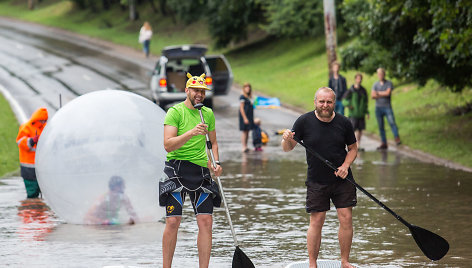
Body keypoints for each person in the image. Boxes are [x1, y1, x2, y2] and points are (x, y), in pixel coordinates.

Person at [281, 87, 358, 268]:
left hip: (342, 178)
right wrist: (286, 139)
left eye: (329, 102)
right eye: (321, 101)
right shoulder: (303, 121)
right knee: (316, 221)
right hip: (316, 180)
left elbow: (353, 149)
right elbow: (288, 148)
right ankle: (312, 263)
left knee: (346, 218)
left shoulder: (344, 123)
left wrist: (345, 166)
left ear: (334, 103)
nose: (325, 105)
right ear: (315, 102)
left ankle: (345, 261)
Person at [161, 72, 223, 268]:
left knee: (206, 222)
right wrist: (191, 132)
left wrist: (216, 162)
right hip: (176, 169)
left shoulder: (208, 113)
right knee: (173, 221)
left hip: (200, 171)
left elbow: (213, 143)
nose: (199, 94)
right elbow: (168, 145)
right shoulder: (175, 112)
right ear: (187, 90)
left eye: (203, 91)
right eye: (196, 90)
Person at [16, 107, 48, 199]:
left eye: (44, 120)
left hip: (41, 167)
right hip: (28, 168)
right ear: (36, 119)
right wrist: (32, 141)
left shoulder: (45, 128)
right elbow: (20, 142)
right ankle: (31, 211)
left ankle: (37, 210)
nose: (43, 122)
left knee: (41, 191)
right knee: (32, 193)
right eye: (41, 120)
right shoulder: (26, 127)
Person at [371, 68, 401, 150]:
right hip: (378, 107)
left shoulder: (389, 83)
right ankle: (384, 142)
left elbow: (388, 93)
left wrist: (378, 93)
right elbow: (372, 96)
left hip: (387, 107)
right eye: (379, 74)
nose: (380, 75)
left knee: (392, 123)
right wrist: (382, 93)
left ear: (384, 74)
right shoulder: (375, 84)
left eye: (381, 74)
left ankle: (396, 137)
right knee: (381, 126)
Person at [342, 73, 369, 150]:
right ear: (355, 79)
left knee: (360, 130)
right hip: (353, 114)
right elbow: (344, 100)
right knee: (353, 130)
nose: (359, 80)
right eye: (358, 78)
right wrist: (349, 105)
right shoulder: (351, 90)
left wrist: (367, 112)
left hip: (361, 114)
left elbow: (365, 103)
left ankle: (358, 145)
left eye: (360, 79)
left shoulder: (363, 90)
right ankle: (352, 145)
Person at [239, 82, 254, 152]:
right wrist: (245, 118)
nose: (248, 89)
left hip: (249, 116)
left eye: (249, 87)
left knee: (248, 131)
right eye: (246, 87)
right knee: (244, 131)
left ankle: (246, 145)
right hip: (244, 116)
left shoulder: (249, 97)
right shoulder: (242, 97)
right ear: (244, 88)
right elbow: (241, 108)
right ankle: (243, 146)